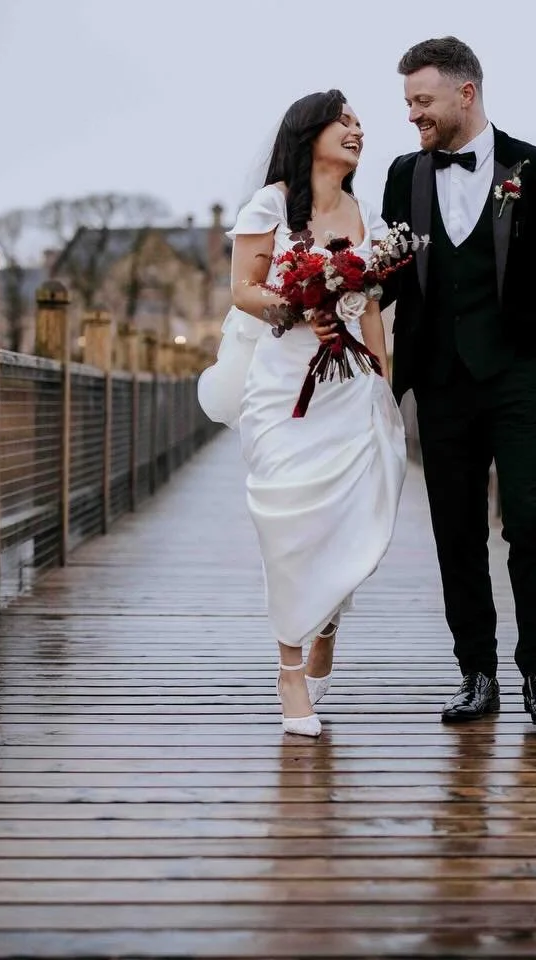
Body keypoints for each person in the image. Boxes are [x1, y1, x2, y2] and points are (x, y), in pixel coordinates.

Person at [370, 36, 536, 725]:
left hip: (521, 377)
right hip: (440, 383)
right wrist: (328, 302)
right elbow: (385, 276)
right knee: (456, 531)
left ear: (465, 93)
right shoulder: (402, 176)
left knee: (532, 523)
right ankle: (476, 673)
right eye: (408, 101)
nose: (413, 113)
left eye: (422, 99)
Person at [204, 90, 407, 737]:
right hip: (284, 387)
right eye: (343, 121)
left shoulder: (363, 213)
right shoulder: (270, 204)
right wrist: (295, 307)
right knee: (287, 520)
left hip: (349, 388)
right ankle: (290, 672)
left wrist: (384, 379)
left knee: (353, 523)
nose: (357, 130)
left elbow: (371, 305)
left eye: (358, 123)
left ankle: (326, 619)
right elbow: (243, 289)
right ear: (308, 131)